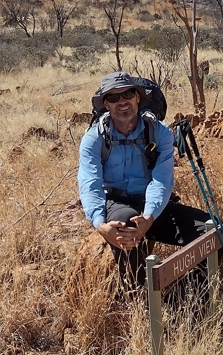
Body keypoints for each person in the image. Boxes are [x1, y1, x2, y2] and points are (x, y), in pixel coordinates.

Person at [77, 72, 210, 286]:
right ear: (106, 104)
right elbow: (89, 183)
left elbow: (162, 180)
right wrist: (100, 225)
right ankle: (140, 298)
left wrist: (149, 217)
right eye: (113, 97)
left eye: (128, 93)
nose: (122, 101)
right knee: (126, 229)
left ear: (137, 97)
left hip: (153, 203)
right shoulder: (94, 138)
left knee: (212, 231)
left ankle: (186, 297)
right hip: (118, 202)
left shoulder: (160, 133)